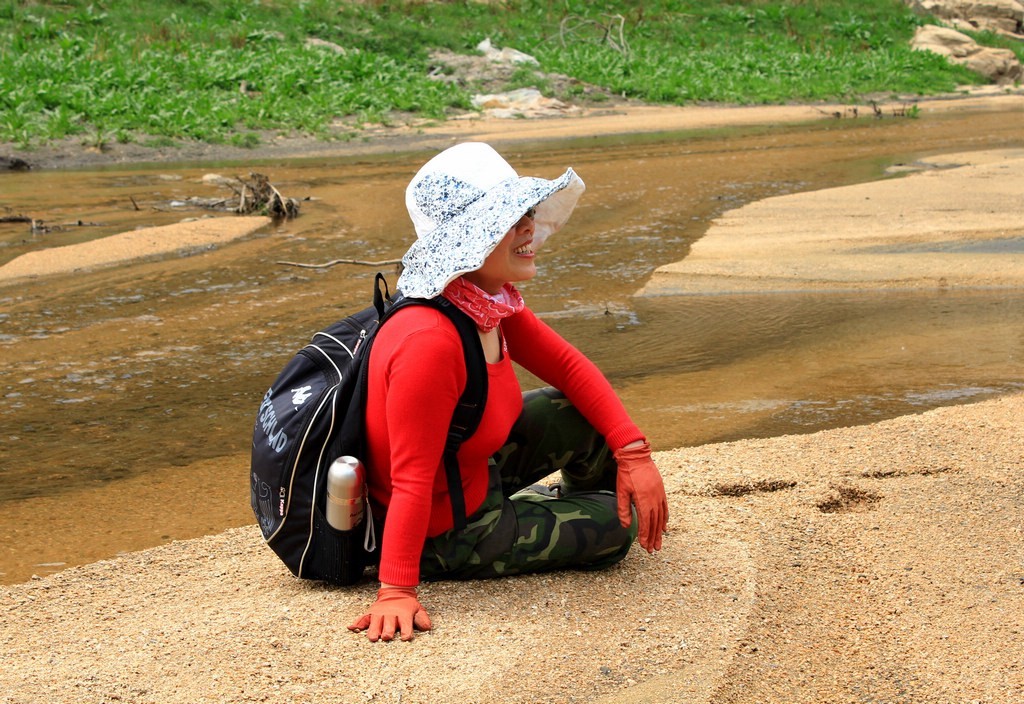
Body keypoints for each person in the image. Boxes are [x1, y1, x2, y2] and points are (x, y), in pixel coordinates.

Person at [347, 142, 669, 642]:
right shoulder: (428, 341)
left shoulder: (482, 301)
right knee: (615, 530)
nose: (529, 229)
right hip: (446, 528)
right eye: (510, 218)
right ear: (468, 240)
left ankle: (584, 497)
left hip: (474, 469)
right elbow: (412, 478)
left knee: (580, 413)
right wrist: (396, 589)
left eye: (527, 213)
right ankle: (585, 507)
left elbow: (568, 366)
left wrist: (634, 452)